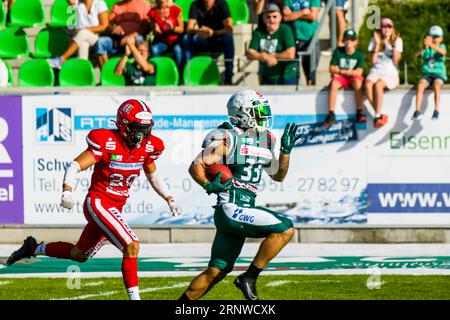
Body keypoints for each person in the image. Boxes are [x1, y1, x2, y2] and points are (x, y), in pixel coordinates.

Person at [6, 99, 182, 300]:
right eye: (137, 128)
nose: (142, 135)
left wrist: (169, 198)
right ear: (123, 125)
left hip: (115, 208)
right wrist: (67, 191)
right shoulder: (107, 141)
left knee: (79, 255)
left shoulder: (150, 146)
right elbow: (74, 166)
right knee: (132, 245)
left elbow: (153, 175)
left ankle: (32, 248)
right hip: (98, 203)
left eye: (145, 129)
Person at [178, 89, 297, 300]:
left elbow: (278, 175)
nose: (263, 116)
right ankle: (249, 277)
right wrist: (207, 184)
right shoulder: (227, 138)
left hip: (243, 210)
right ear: (243, 112)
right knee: (285, 229)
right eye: (259, 111)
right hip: (231, 208)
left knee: (215, 272)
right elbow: (196, 165)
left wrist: (285, 153)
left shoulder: (266, 139)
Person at [182, 0, 234, 85]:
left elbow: (229, 29)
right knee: (186, 38)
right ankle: (188, 72)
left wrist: (213, 32)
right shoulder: (195, 4)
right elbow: (189, 29)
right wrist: (199, 31)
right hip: (202, 39)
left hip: (217, 39)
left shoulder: (222, 4)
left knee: (228, 38)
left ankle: (228, 77)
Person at [47, 0, 109, 69]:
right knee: (83, 44)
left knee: (83, 33)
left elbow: (104, 26)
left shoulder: (100, 3)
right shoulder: (78, 3)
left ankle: (62, 59)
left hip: (96, 39)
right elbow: (70, 1)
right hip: (82, 39)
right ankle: (81, 74)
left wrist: (85, 29)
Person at [322, 28, 365, 127]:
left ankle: (359, 112)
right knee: (334, 84)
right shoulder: (338, 51)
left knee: (358, 84)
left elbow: (359, 72)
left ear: (356, 41)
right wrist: (346, 72)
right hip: (343, 77)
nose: (349, 41)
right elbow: (331, 68)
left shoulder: (359, 54)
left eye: (352, 39)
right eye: (347, 39)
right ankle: (331, 114)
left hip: (348, 77)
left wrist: (342, 71)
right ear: (343, 40)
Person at [365, 18, 403, 128]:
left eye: (389, 26)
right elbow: (373, 61)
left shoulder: (397, 40)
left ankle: (377, 115)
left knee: (378, 85)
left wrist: (394, 47)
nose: (386, 29)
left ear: (392, 28)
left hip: (390, 72)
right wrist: (377, 44)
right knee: (367, 85)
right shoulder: (374, 39)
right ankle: (379, 114)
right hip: (376, 70)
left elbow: (396, 61)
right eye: (384, 26)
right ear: (380, 28)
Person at [247, 4, 297, 85]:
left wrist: (272, 56)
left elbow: (291, 54)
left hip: (286, 76)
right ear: (263, 18)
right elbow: (250, 52)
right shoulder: (258, 31)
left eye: (274, 17)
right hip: (266, 76)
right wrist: (264, 56)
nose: (271, 20)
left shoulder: (285, 30)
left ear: (280, 17)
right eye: (268, 17)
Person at [95, 0, 151, 68]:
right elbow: (108, 25)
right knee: (101, 42)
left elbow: (147, 28)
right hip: (118, 39)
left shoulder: (144, 5)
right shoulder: (116, 6)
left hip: (135, 38)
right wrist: (113, 28)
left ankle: (138, 70)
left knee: (139, 39)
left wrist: (131, 36)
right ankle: (107, 71)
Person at [412, 25, 447, 121]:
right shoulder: (426, 48)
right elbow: (415, 56)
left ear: (441, 38)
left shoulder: (441, 46)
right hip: (427, 74)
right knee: (420, 86)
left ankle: (436, 111)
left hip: (438, 74)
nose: (434, 39)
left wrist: (431, 45)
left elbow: (443, 52)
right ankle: (417, 111)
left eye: (437, 37)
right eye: (432, 36)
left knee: (437, 85)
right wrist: (424, 47)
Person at [282, 0, 320, 85]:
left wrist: (294, 14)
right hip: (293, 38)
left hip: (310, 39)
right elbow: (286, 17)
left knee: (310, 76)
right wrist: (303, 12)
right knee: (293, 75)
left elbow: (313, 16)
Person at [148, 0, 184, 70]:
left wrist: (172, 28)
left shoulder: (176, 10)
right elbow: (153, 32)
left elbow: (181, 30)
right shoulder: (152, 13)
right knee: (154, 50)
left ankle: (179, 73)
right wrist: (156, 31)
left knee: (178, 50)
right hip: (162, 42)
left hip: (175, 41)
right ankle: (158, 71)